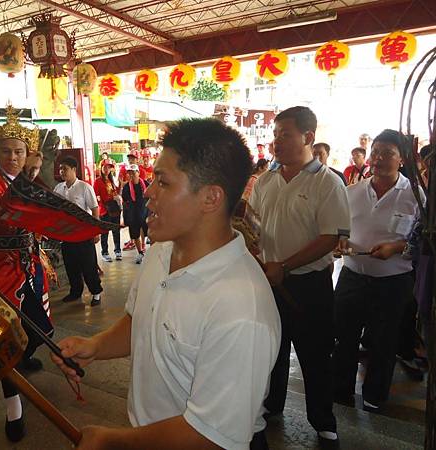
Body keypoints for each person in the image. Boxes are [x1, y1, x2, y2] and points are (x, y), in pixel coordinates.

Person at [52, 118, 280, 450]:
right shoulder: (161, 252)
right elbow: (141, 320)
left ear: (210, 198)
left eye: (163, 182)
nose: (147, 191)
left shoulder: (242, 306)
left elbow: (210, 436)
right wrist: (97, 346)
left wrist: (112, 441)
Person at [249, 106, 350, 445]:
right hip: (269, 281)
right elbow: (253, 227)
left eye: (284, 134)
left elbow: (330, 237)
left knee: (315, 355)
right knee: (271, 350)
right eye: (275, 134)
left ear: (308, 137)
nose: (276, 141)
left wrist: (285, 266)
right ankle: (271, 404)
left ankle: (323, 419)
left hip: (309, 285)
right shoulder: (265, 181)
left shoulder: (327, 182)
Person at [332, 129, 423, 413]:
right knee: (343, 338)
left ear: (402, 158)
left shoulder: (415, 195)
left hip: (392, 282)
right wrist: (340, 241)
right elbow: (340, 229)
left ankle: (374, 396)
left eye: (388, 153)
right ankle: (340, 392)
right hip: (352, 277)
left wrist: (396, 249)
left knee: (384, 343)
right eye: (376, 152)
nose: (379, 158)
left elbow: (421, 244)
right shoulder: (353, 191)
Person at [0, 112, 54, 442]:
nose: (13, 157)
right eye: (7, 151)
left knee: (40, 326)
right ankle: (13, 410)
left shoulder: (22, 181)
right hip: (1, 266)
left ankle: (25, 355)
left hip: (28, 262)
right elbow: (1, 210)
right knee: (5, 336)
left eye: (19, 152)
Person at [54, 156, 103, 306]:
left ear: (74, 170)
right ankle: (75, 291)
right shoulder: (58, 188)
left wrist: (96, 231)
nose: (62, 171)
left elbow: (95, 209)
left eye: (65, 169)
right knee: (71, 265)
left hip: (84, 233)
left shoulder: (84, 187)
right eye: (61, 169)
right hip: (67, 234)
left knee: (88, 265)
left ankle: (96, 293)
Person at [94, 159, 122, 262]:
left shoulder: (111, 180)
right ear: (100, 168)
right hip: (104, 211)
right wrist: (106, 201)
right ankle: (105, 252)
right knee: (104, 232)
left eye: (109, 167)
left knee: (116, 231)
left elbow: (115, 192)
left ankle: (117, 250)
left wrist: (120, 186)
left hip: (114, 209)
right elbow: (96, 197)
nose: (107, 169)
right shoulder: (97, 181)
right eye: (104, 167)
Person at [121, 164, 149, 264]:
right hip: (133, 214)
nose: (131, 175)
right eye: (129, 173)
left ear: (138, 172)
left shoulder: (145, 184)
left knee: (147, 231)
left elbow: (151, 198)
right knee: (135, 234)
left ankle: (146, 248)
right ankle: (140, 252)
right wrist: (125, 218)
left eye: (133, 173)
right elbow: (124, 203)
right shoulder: (126, 188)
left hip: (145, 212)